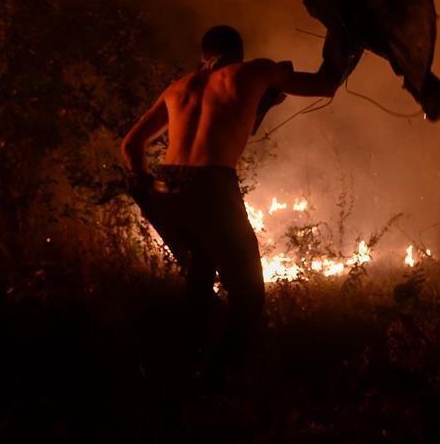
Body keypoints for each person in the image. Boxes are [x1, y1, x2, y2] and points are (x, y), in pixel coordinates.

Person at [121, 24, 344, 385]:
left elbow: (130, 145)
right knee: (249, 293)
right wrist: (344, 39)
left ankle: (181, 373)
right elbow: (325, 85)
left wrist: (150, 186)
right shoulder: (254, 70)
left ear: (204, 56)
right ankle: (215, 382)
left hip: (167, 186)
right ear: (238, 54)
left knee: (199, 279)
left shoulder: (180, 87)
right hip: (212, 184)